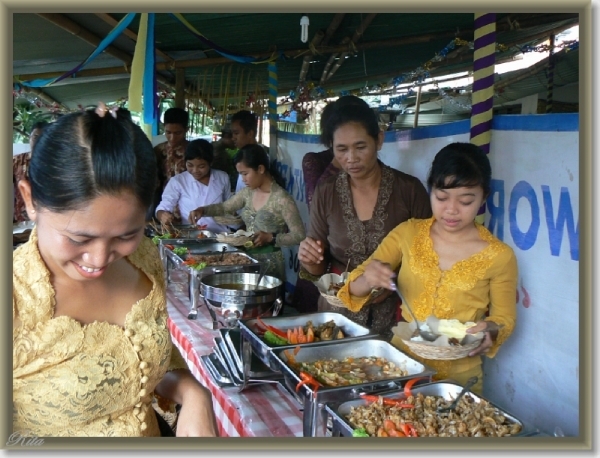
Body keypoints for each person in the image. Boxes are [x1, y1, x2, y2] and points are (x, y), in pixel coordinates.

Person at [13, 102, 218, 437]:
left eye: (126, 235)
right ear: (30, 199)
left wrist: (192, 393)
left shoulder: (145, 260)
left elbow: (147, 363)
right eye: (79, 238)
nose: (99, 259)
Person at [337, 142, 518, 394]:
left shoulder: (500, 256)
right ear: (430, 190)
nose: (451, 210)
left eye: (466, 201)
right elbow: (352, 290)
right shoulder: (408, 233)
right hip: (400, 365)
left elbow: (504, 319)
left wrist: (492, 329)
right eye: (441, 198)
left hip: (459, 377)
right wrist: (369, 278)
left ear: (484, 197)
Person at [297, 96, 432, 341]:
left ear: (379, 140)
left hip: (397, 315)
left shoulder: (409, 190)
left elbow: (429, 259)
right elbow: (318, 269)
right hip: (337, 318)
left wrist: (390, 280)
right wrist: (308, 259)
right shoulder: (326, 191)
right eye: (341, 149)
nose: (351, 158)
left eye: (360, 147)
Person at [188, 144, 305, 282]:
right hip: (245, 260)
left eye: (245, 174)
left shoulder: (282, 199)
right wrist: (203, 210)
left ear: (260, 169)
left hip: (270, 265)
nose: (243, 179)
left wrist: (271, 238)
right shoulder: (248, 193)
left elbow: (299, 235)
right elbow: (225, 207)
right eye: (240, 174)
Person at [155, 139, 232, 233]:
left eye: (201, 166)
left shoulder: (222, 177)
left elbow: (229, 206)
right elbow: (163, 208)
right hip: (191, 234)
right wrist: (163, 215)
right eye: (190, 165)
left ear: (210, 163)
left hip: (220, 234)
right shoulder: (178, 181)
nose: (195, 170)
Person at [149, 107, 190, 219]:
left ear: (186, 129)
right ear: (164, 128)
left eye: (177, 133)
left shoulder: (193, 151)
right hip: (165, 207)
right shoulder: (158, 151)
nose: (172, 138)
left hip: (189, 207)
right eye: (168, 132)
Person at [13, 121, 48, 223]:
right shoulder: (18, 160)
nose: (38, 140)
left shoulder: (53, 163)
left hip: (47, 219)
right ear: (30, 138)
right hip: (21, 219)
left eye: (42, 137)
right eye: (35, 136)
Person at [229, 110, 269, 193]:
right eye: (232, 134)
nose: (233, 138)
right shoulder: (243, 155)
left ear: (250, 134)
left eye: (236, 133)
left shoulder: (260, 157)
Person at [211, 124, 238, 192]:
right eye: (234, 137)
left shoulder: (218, 149)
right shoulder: (217, 152)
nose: (236, 141)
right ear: (226, 137)